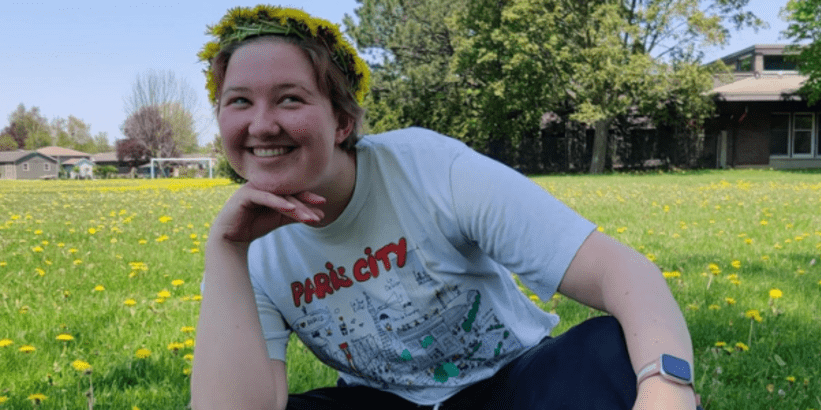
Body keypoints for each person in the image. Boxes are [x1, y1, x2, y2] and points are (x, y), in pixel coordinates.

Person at [190, 5, 700, 410]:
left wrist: (668, 388)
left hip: (512, 388)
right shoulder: (246, 241)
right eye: (239, 101)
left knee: (610, 349)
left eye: (289, 99)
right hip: (383, 403)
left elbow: (620, 272)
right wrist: (228, 250)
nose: (261, 125)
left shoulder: (430, 169)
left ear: (341, 122)